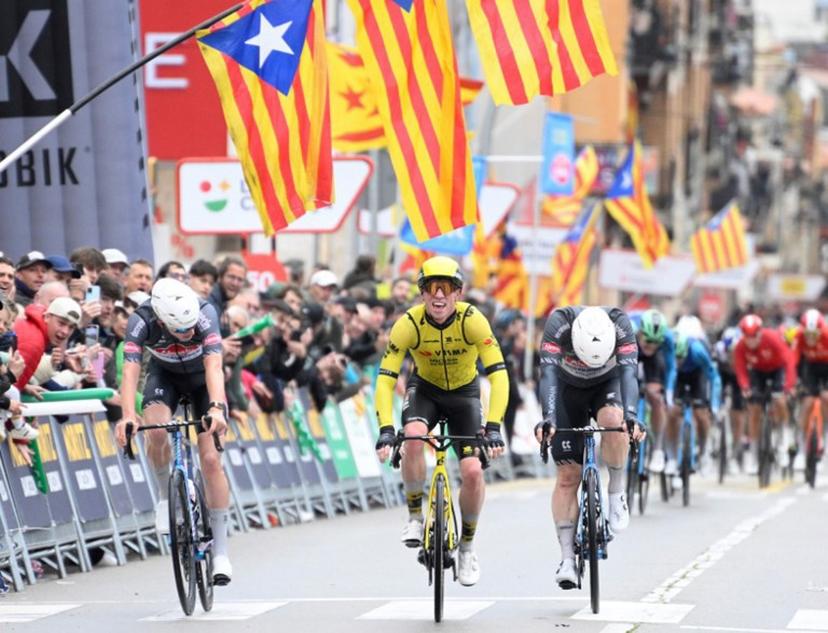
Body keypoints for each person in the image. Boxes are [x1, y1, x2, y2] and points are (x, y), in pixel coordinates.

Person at [373, 256, 509, 587]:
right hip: (426, 391)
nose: (438, 295)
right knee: (414, 437)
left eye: (445, 288)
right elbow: (386, 378)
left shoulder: (473, 321)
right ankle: (416, 516)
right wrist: (386, 430)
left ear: (458, 293)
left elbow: (500, 375)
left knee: (473, 471)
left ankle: (467, 545)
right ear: (421, 293)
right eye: (430, 288)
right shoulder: (409, 324)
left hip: (465, 395)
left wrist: (493, 428)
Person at [113, 278, 232, 586]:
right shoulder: (141, 320)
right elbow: (131, 371)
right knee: (155, 432)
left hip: (204, 382)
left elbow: (214, 367)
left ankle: (220, 551)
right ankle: (166, 499)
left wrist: (217, 407)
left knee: (210, 460)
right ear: (162, 321)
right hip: (164, 376)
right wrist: (128, 415)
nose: (189, 333)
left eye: (192, 327)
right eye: (181, 330)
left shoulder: (205, 314)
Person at [535, 306, 644, 590]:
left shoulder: (621, 325)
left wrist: (631, 416)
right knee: (568, 476)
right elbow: (547, 375)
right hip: (565, 389)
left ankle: (617, 491)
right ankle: (567, 559)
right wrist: (548, 418)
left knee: (614, 421)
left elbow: (629, 376)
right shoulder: (558, 323)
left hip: (606, 386)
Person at [732, 314, 796, 475]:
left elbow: (788, 361)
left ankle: (783, 437)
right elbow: (740, 369)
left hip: (777, 370)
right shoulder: (740, 347)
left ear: (760, 333)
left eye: (754, 336)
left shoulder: (772, 338)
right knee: (754, 409)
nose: (751, 340)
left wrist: (788, 386)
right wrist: (745, 387)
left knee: (779, 400)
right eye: (747, 337)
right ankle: (754, 454)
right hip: (757, 372)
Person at [629, 309, 675, 473]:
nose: (651, 346)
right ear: (640, 332)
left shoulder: (667, 339)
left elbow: (671, 369)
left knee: (656, 397)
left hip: (654, 362)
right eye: (648, 341)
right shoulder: (628, 327)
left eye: (656, 342)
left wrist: (667, 394)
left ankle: (657, 449)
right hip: (631, 352)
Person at [669, 332, 721, 477]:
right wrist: (668, 398)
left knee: (701, 414)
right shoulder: (671, 352)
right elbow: (670, 375)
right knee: (673, 411)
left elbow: (713, 377)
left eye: (681, 358)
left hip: (698, 374)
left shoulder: (698, 351)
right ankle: (672, 455)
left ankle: (704, 452)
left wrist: (714, 403)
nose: (679, 361)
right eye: (677, 358)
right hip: (679, 376)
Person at [791, 309, 828, 469]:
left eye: (815, 334)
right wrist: (793, 383)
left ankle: (825, 439)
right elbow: (792, 361)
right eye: (808, 334)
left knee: (826, 399)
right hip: (810, 368)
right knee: (807, 403)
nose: (811, 338)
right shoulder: (799, 337)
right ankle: (801, 447)